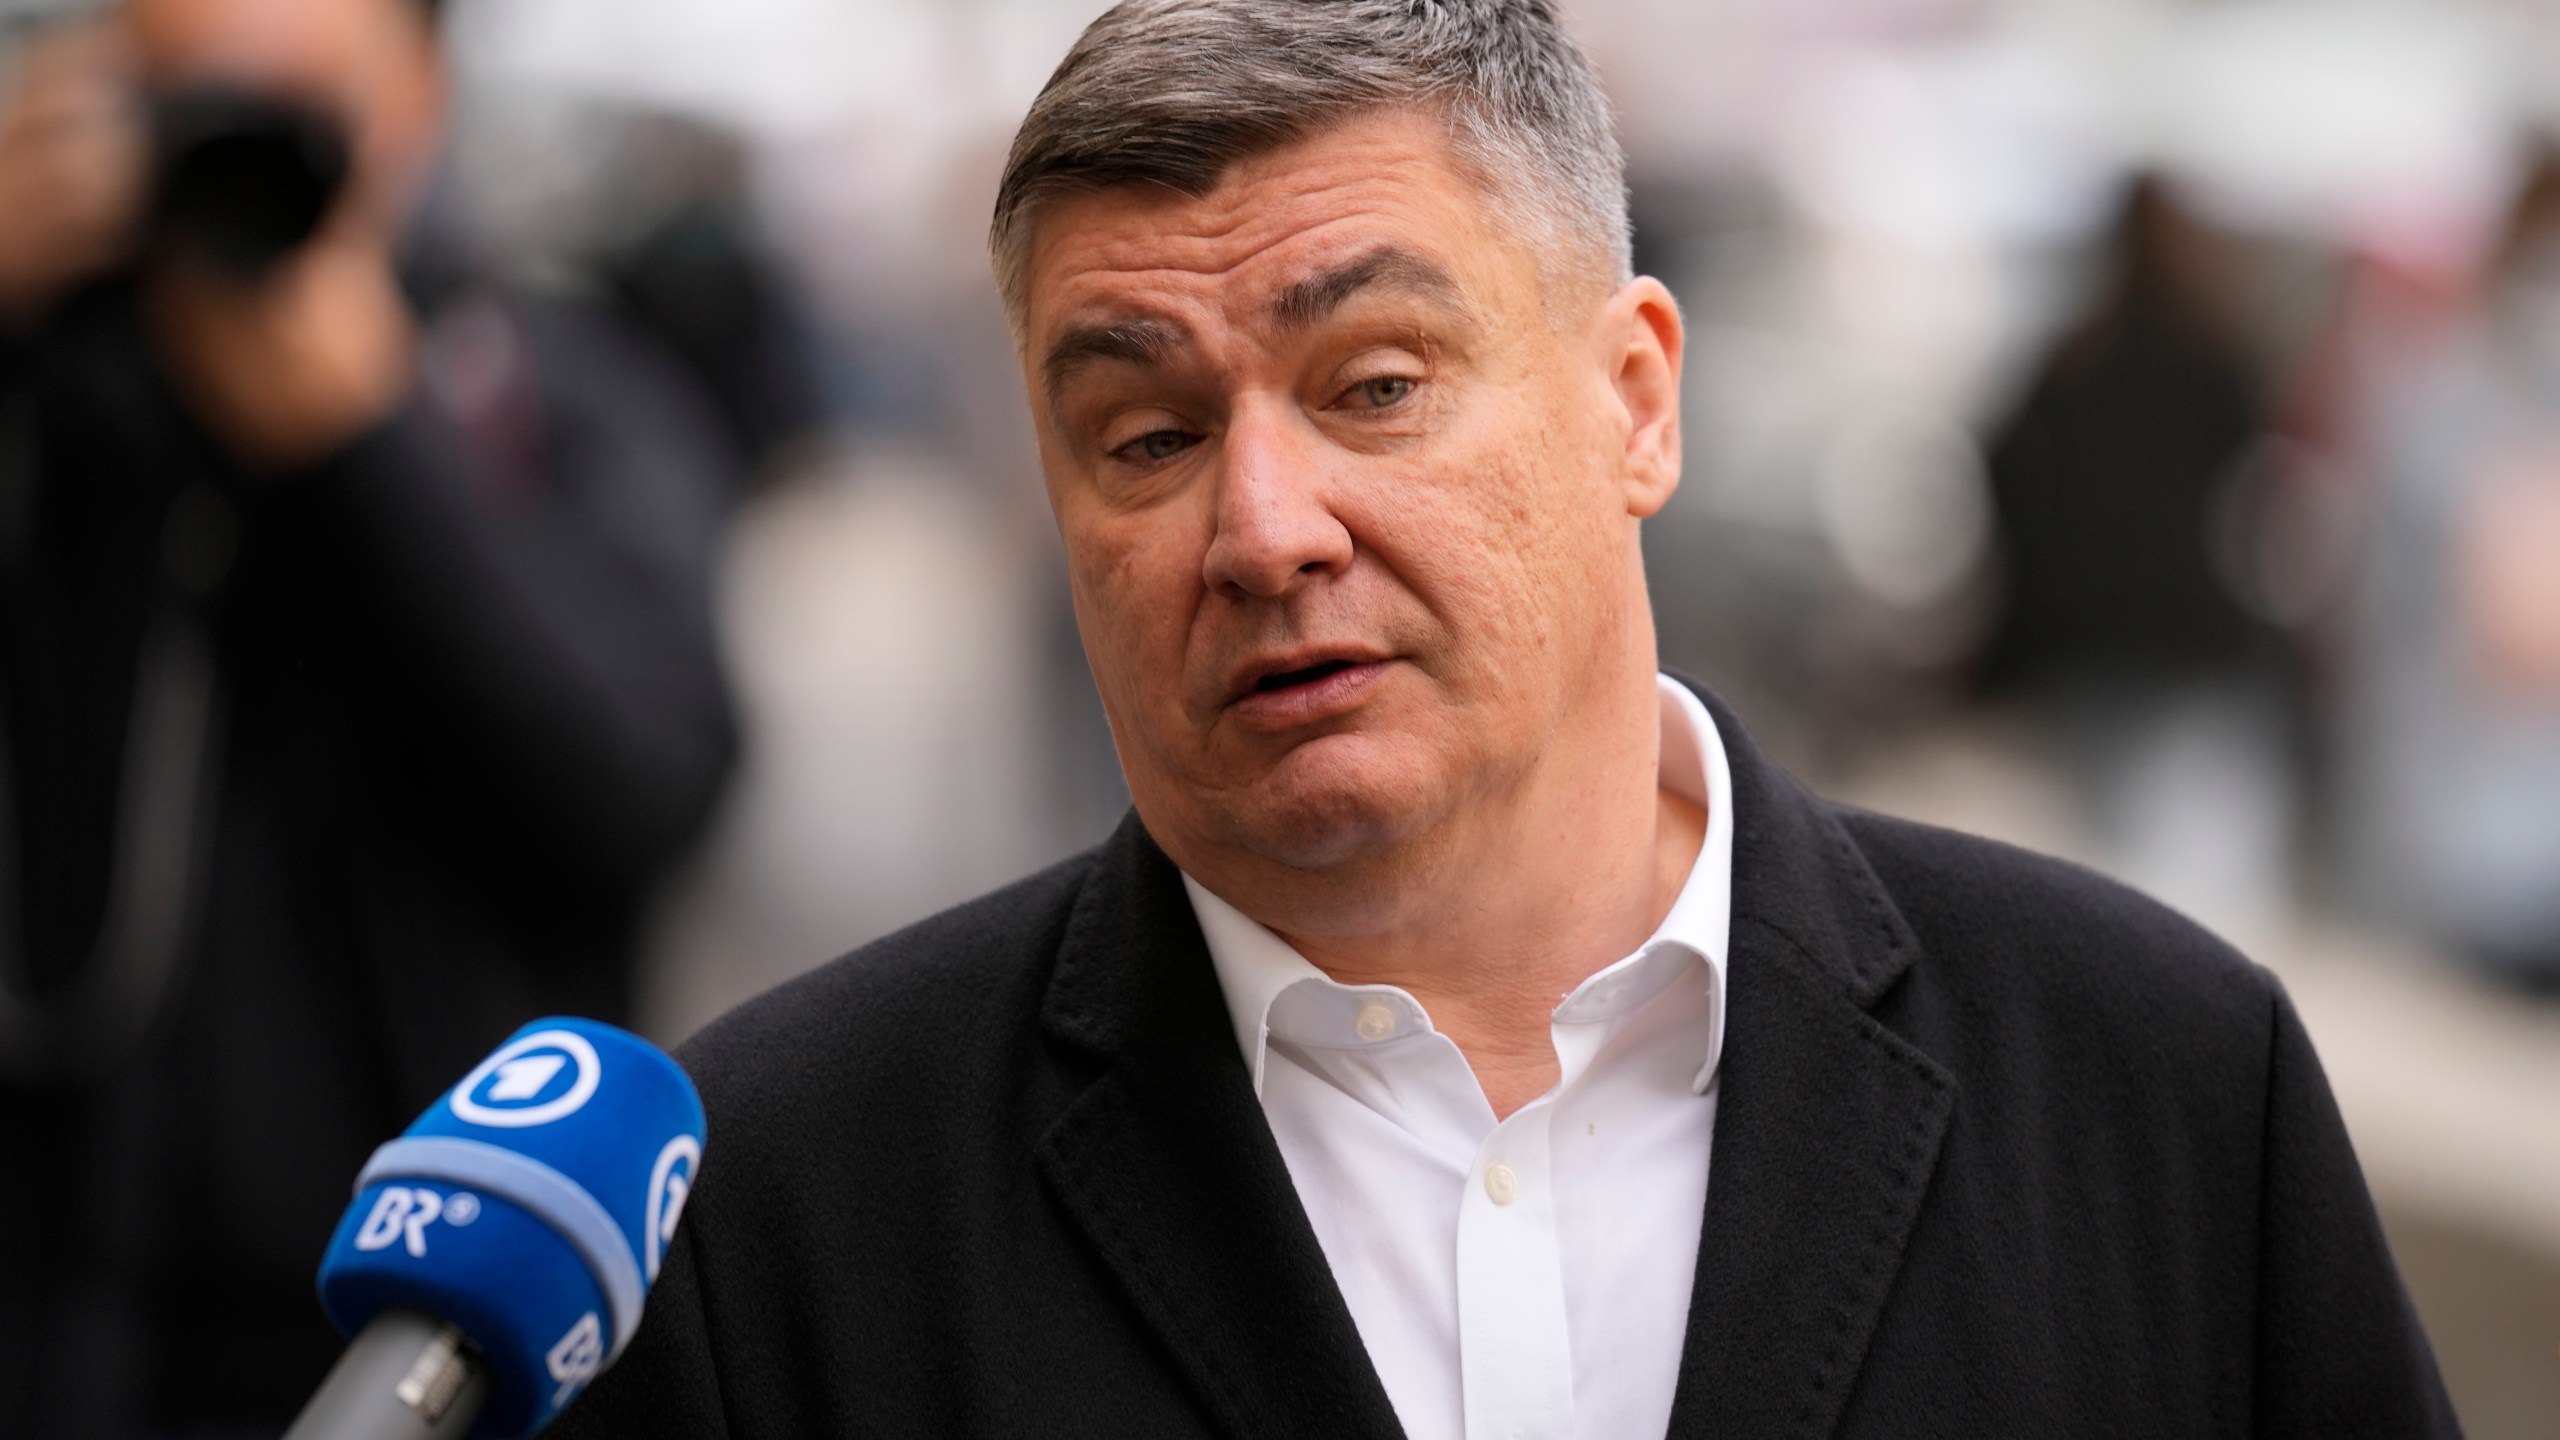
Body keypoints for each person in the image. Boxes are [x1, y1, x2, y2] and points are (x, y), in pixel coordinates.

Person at [558, 3, 2455, 1437]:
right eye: (1145, 434)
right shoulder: (779, 1211)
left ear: (1633, 400)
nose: (1263, 527)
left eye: (1375, 384)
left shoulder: (2164, 1091)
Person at [0, 0, 738, 1432]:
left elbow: (646, 783)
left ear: (422, 92)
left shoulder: (541, 388)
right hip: (54, 1300)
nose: (240, 144)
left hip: (440, 1310)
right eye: (187, 99)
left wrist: (366, 444)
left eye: (295, 98)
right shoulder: (51, 381)